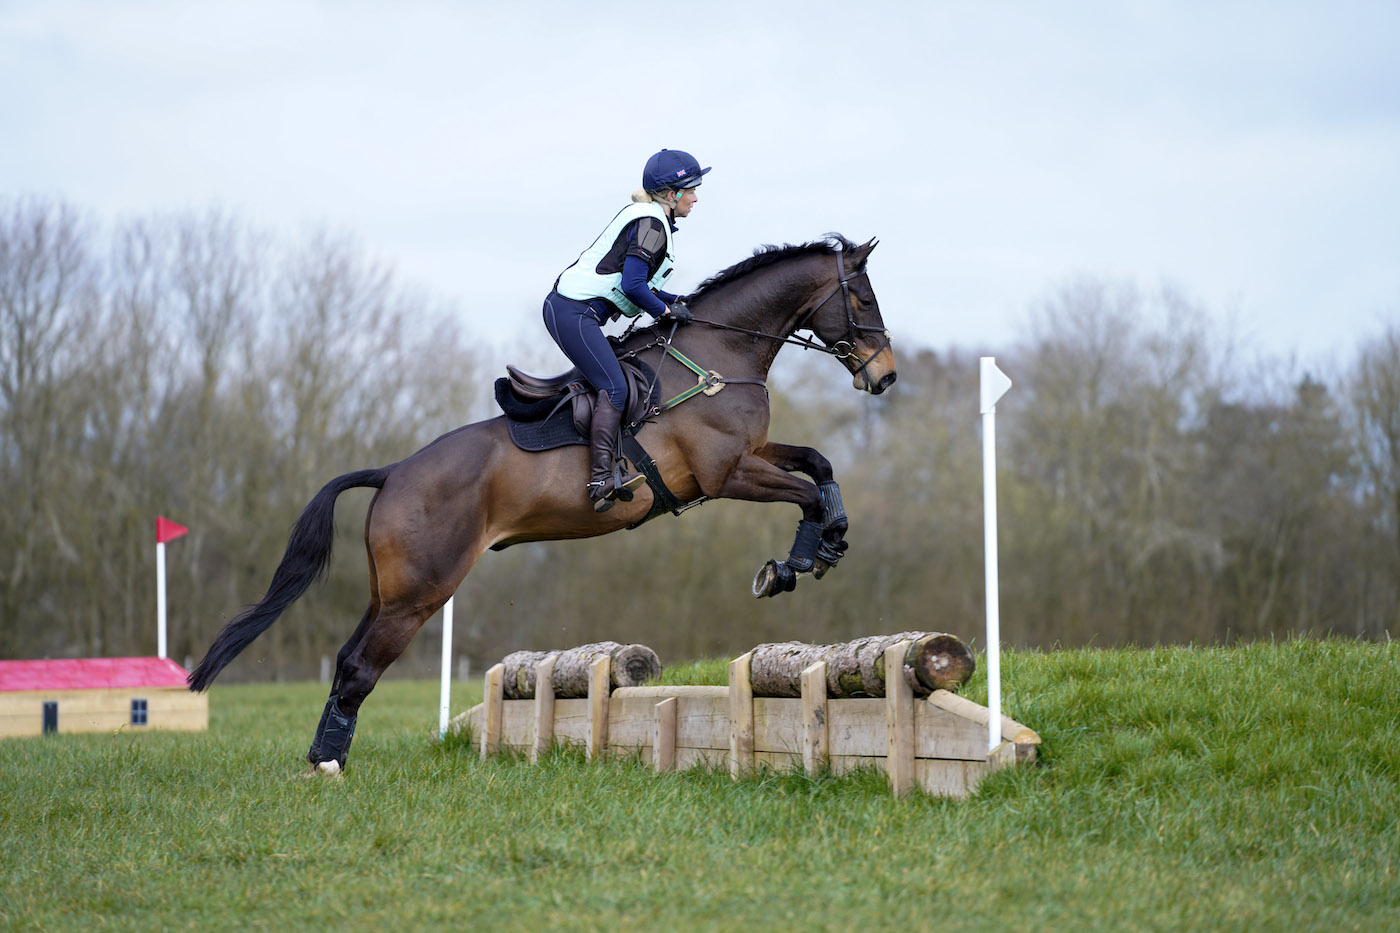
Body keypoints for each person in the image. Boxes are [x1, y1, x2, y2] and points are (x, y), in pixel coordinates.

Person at [543, 148, 710, 512]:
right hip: (573, 313)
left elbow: (637, 285)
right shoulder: (651, 224)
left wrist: (681, 301)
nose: (696, 198)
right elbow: (635, 287)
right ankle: (600, 479)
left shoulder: (652, 220)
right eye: (691, 190)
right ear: (671, 194)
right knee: (615, 387)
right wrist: (665, 310)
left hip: (574, 311)